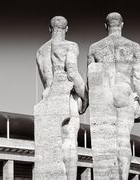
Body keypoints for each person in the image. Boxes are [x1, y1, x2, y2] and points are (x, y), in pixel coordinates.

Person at [88, 12, 140, 179]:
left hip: (103, 96)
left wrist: (85, 102)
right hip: (123, 93)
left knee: (102, 146)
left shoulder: (94, 48)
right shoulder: (133, 46)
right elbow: (138, 77)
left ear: (106, 26)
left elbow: (91, 78)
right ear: (122, 25)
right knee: (123, 143)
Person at [36, 16, 88, 180]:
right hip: (65, 96)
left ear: (50, 29)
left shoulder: (40, 51)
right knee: (69, 144)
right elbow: (72, 73)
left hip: (47, 98)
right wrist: (85, 97)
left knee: (49, 150)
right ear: (66, 29)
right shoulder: (70, 46)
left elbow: (44, 79)